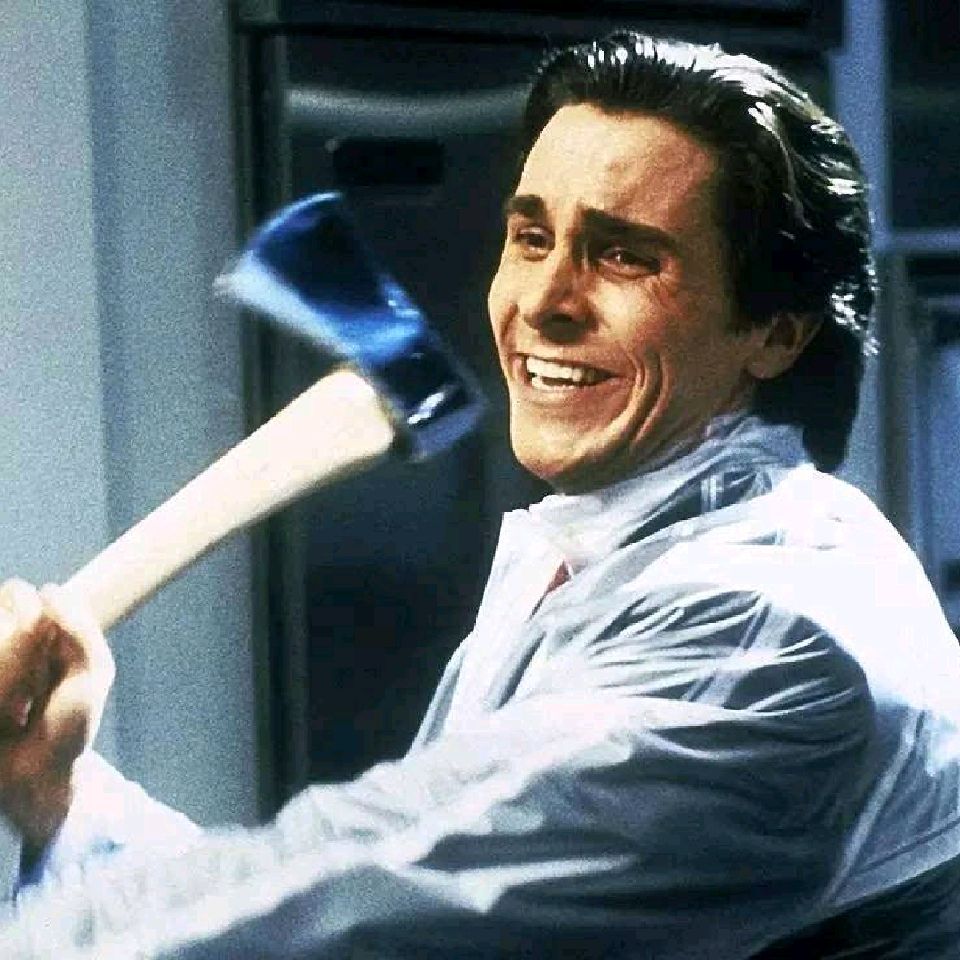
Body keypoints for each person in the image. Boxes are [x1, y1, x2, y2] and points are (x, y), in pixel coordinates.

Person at [0, 29, 958, 958]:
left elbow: (352, 915)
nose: (543, 302)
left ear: (778, 331)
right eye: (532, 237)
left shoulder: (764, 628)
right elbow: (356, 884)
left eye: (625, 256)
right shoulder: (601, 553)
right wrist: (59, 794)